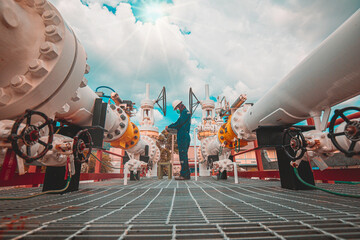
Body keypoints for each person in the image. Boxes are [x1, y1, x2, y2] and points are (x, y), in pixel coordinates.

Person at [166, 100, 191, 180]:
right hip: (182, 137)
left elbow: (178, 123)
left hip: (183, 137)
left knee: (183, 156)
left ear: (179, 106)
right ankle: (184, 174)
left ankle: (185, 175)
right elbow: (179, 124)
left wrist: (169, 127)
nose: (176, 110)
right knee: (183, 156)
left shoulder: (185, 113)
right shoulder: (183, 113)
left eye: (176, 108)